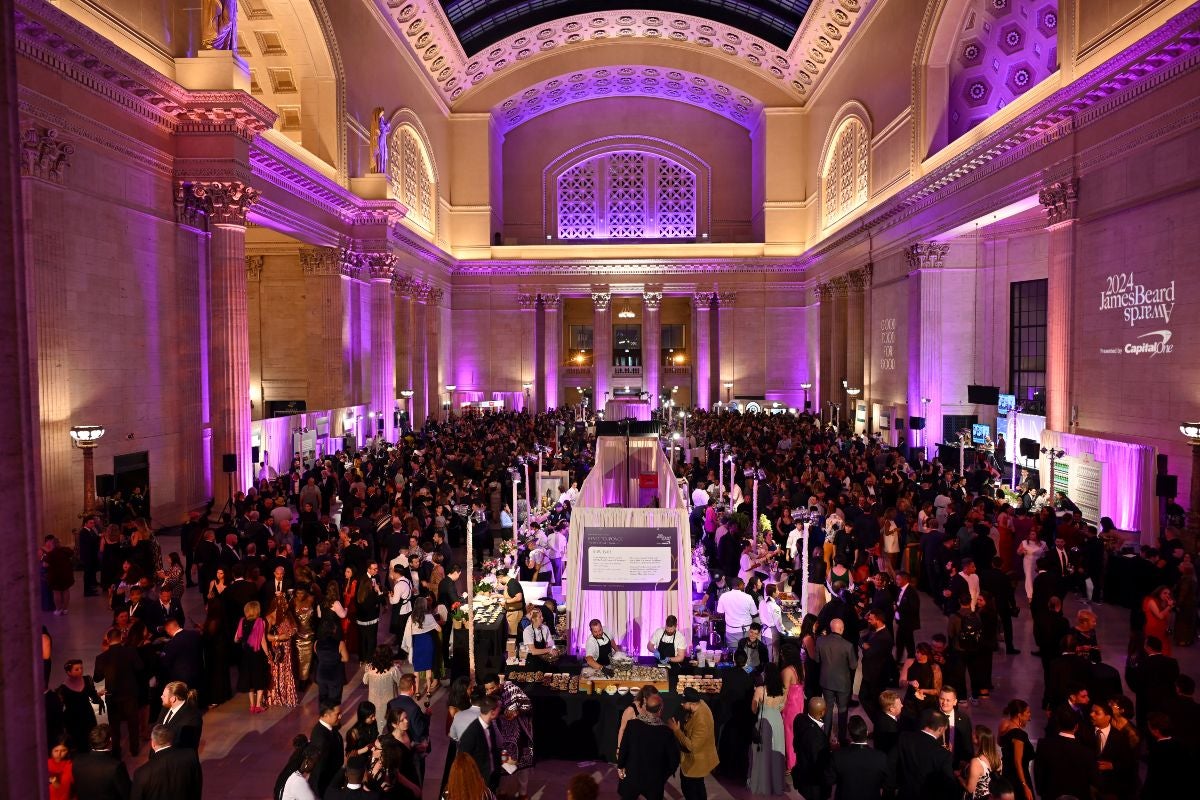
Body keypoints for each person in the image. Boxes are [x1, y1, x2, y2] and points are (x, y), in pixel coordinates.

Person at [617, 692, 680, 800]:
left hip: (632, 777)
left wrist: (620, 766)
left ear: (645, 707)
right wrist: (662, 777)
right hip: (654, 782)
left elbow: (623, 748)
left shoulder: (632, 725)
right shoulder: (666, 732)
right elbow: (674, 760)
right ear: (660, 709)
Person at [93, 628, 143, 758]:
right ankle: (134, 749)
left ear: (108, 640)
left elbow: (97, 678)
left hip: (112, 695)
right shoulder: (130, 652)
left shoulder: (101, 657)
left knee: (114, 725)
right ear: (121, 638)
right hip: (130, 693)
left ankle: (116, 750)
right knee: (133, 722)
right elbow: (140, 668)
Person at [889, 709, 959, 800]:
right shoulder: (943, 754)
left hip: (904, 794)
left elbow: (891, 763)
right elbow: (948, 784)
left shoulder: (904, 737)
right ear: (941, 729)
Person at [1033, 706, 1099, 800]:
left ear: (1058, 725)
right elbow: (1094, 780)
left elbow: (1038, 773)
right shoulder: (1087, 752)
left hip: (1050, 796)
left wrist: (1042, 793)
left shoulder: (1044, 745)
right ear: (1076, 727)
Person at [667, 687, 718, 800]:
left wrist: (676, 730)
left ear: (692, 703)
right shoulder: (701, 703)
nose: (681, 704)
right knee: (698, 786)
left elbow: (692, 746)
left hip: (696, 762)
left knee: (690, 789)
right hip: (698, 759)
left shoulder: (701, 721)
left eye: (684, 703)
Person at [813, 617, 857, 745]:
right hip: (843, 683)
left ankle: (825, 737)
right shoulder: (848, 646)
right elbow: (853, 666)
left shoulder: (820, 641)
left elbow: (817, 660)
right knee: (843, 710)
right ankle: (842, 738)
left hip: (826, 681)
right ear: (842, 629)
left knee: (828, 708)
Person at [130, 724, 203, 800]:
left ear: (153, 743)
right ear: (172, 740)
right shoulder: (190, 756)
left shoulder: (141, 773)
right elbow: (196, 787)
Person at [747, 663, 787, 795]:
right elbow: (782, 707)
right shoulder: (783, 689)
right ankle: (776, 784)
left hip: (764, 721)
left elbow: (753, 709)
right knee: (776, 751)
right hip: (777, 721)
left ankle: (762, 783)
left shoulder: (760, 689)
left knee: (762, 753)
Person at [829, 715, 889, 800]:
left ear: (849, 736)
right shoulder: (881, 757)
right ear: (867, 732)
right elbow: (887, 782)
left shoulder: (838, 756)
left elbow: (829, 779)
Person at [1090, 699, 1138, 800]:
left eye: (1096, 713)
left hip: (1112, 788)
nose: (1091, 714)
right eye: (1091, 711)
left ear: (1108, 717)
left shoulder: (1121, 737)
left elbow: (1130, 762)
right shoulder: (1084, 733)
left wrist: (1113, 766)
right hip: (1090, 786)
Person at [859, 608, 895, 724]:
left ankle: (879, 723)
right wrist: (864, 645)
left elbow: (868, 653)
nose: (868, 621)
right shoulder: (874, 630)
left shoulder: (884, 637)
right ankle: (878, 723)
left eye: (871, 619)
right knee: (863, 697)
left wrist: (865, 647)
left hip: (877, 676)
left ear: (878, 620)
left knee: (876, 703)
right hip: (869, 674)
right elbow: (862, 640)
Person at [791, 696, 831, 800]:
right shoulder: (818, 737)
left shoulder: (799, 718)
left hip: (802, 772)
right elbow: (818, 763)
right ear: (822, 712)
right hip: (813, 784)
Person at [403, 595, 442, 699]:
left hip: (417, 643)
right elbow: (439, 629)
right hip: (428, 643)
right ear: (425, 605)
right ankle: (428, 691)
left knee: (417, 669)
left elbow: (408, 632)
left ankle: (417, 692)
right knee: (428, 668)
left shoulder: (411, 617)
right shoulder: (429, 616)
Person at [458, 695, 502, 789]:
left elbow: (491, 751)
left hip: (490, 779)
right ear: (492, 712)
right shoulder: (471, 733)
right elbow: (462, 760)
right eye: (499, 709)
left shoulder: (490, 726)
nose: (501, 711)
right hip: (478, 782)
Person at [234, 600, 270, 714]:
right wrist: (268, 654)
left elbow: (236, 638)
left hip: (245, 655)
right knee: (259, 678)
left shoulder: (242, 621)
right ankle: (258, 705)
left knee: (249, 680)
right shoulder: (260, 621)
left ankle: (251, 705)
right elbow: (263, 641)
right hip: (257, 654)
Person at [997, 700, 1035, 800]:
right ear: (1019, 715)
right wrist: (1024, 785)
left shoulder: (1003, 724)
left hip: (1006, 775)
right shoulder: (1019, 735)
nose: (1029, 715)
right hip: (1018, 778)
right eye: (1027, 712)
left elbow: (1000, 743)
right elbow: (1018, 762)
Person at [1143, 712, 1187, 796]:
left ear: (1156, 731)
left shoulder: (1156, 751)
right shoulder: (1180, 744)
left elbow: (1153, 777)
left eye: (1149, 728)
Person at [309, 702, 345, 798]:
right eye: (337, 714)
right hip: (326, 787)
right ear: (325, 715)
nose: (340, 716)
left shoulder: (330, 729)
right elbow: (319, 770)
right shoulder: (321, 738)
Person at [362, 646, 401, 733]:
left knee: (376, 726)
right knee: (390, 726)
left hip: (374, 703)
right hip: (389, 704)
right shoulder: (393, 670)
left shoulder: (370, 668)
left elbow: (365, 681)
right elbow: (400, 682)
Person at [155, 681, 203, 750]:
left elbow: (186, 747)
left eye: (164, 695)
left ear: (173, 699)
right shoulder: (165, 707)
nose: (161, 696)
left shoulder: (192, 718)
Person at [716, 577, 759, 643]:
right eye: (743, 584)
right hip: (745, 631)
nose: (744, 586)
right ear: (739, 585)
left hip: (731, 631)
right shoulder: (748, 597)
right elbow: (754, 613)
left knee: (733, 652)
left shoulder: (723, 596)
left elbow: (720, 613)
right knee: (746, 651)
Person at [964, 725, 1000, 799]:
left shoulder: (976, 762)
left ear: (978, 739)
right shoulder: (998, 760)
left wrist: (958, 777)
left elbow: (970, 789)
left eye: (973, 733)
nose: (971, 735)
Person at [1143, 585, 1175, 655]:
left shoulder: (1164, 603)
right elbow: (1160, 616)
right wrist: (1169, 607)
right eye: (1165, 593)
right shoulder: (1151, 601)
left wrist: (1168, 607)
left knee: (1165, 649)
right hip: (1153, 629)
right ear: (1159, 592)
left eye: (1168, 594)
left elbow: (1167, 619)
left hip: (1162, 630)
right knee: (1154, 649)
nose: (1167, 595)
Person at [47, 735, 73, 800]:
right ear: (51, 750)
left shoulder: (70, 764)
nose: (59, 754)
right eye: (56, 750)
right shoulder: (45, 764)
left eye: (63, 750)